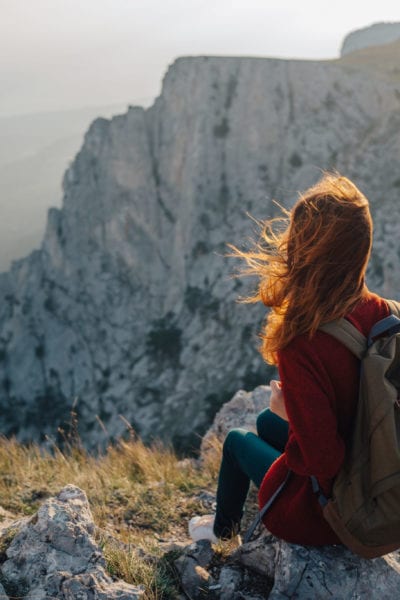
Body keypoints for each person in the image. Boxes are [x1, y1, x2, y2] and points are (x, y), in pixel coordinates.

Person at [189, 173, 391, 546]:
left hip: (331, 514)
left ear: (305, 252)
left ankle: (220, 533)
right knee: (266, 421)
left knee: (236, 441)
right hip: (380, 481)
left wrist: (292, 413)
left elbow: (324, 462)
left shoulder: (303, 342)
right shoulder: (387, 316)